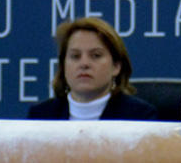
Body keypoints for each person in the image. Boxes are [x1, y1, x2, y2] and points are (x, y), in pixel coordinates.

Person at [28, 17, 158, 121]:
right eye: (75, 56)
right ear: (63, 66)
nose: (84, 64)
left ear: (116, 66)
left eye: (96, 55)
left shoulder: (139, 117)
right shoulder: (40, 116)